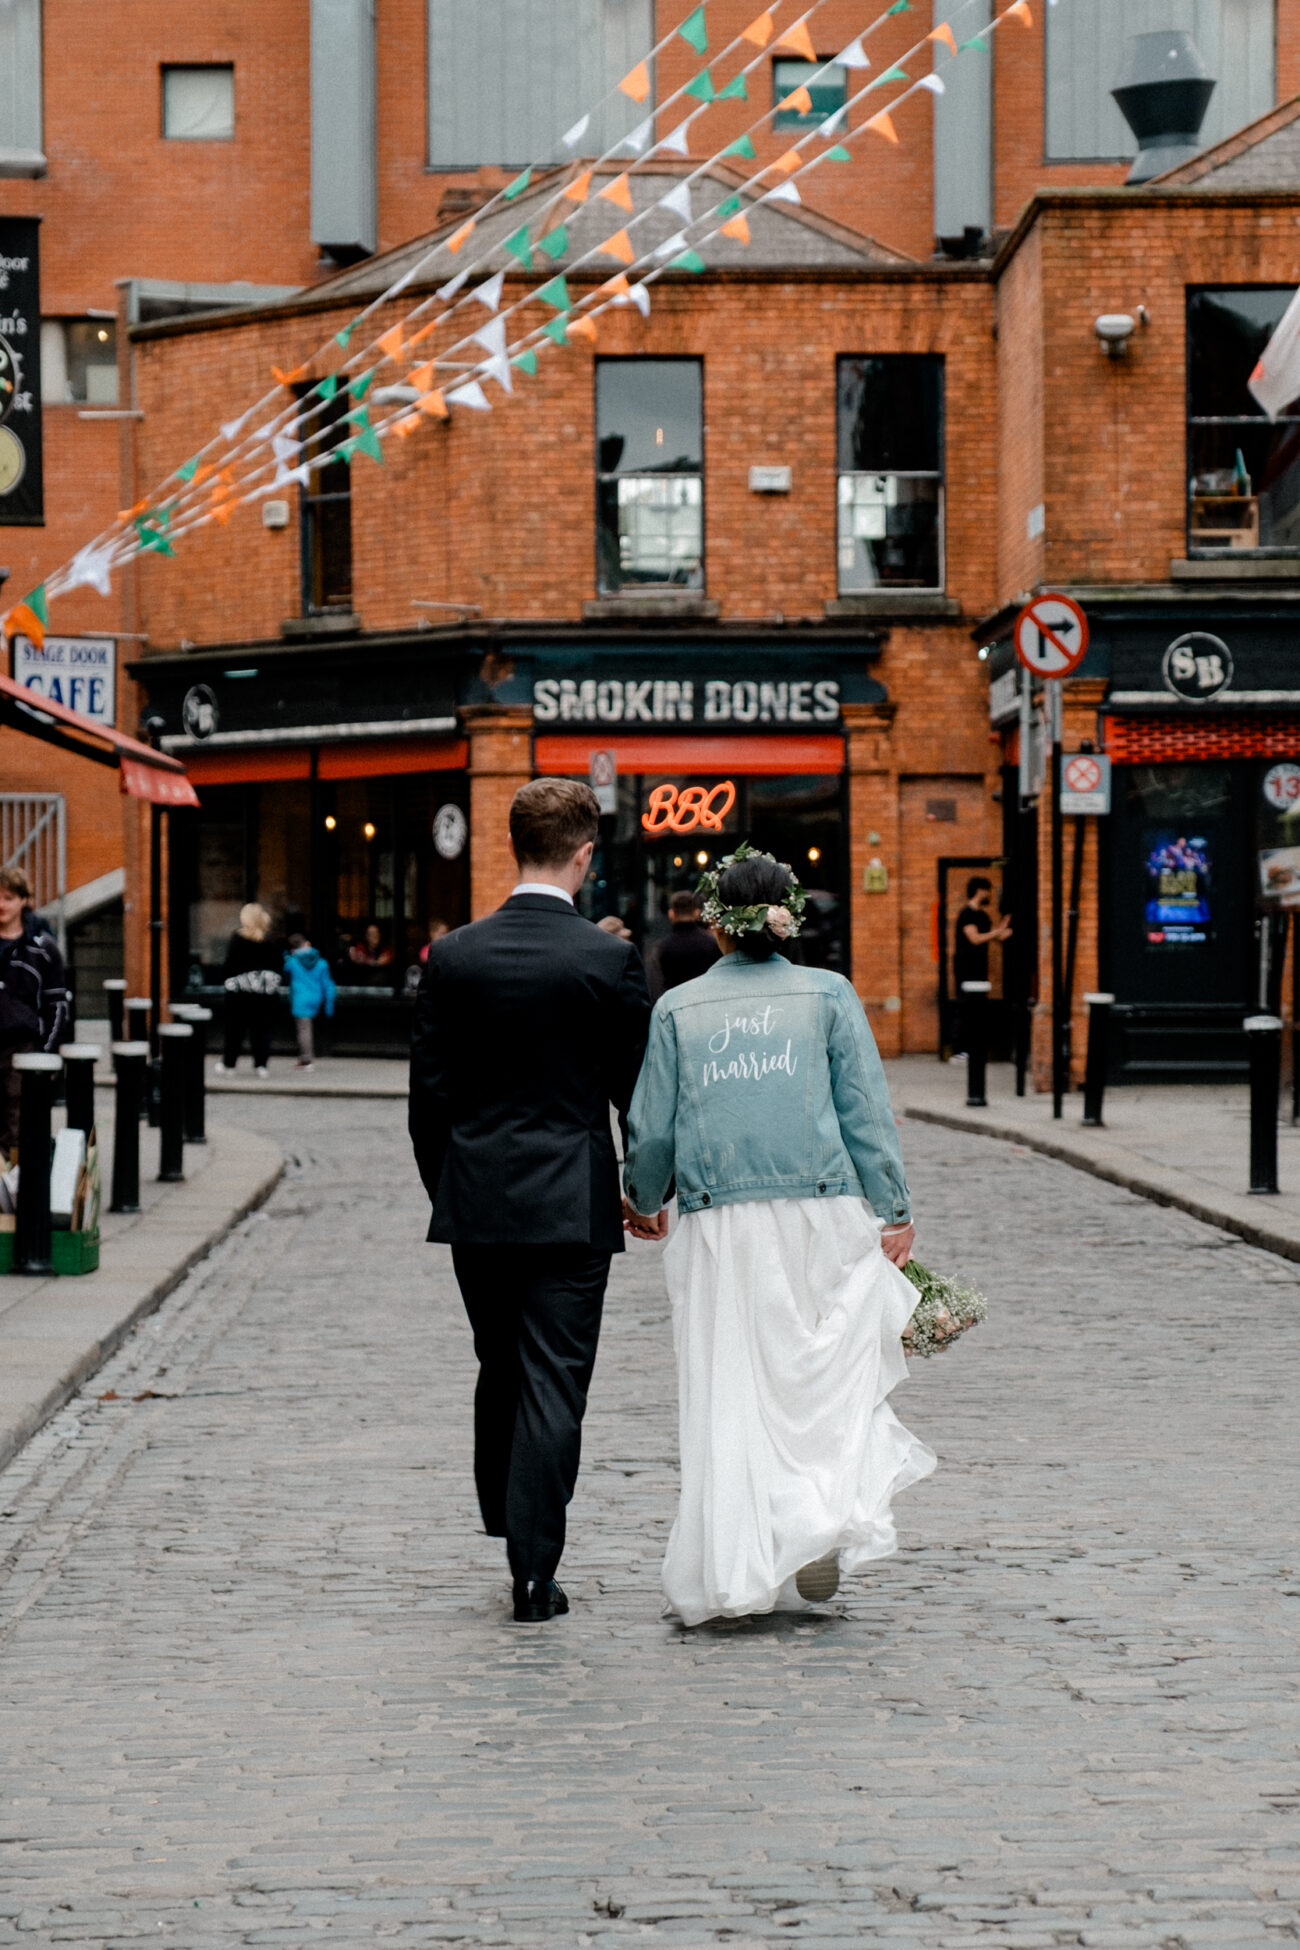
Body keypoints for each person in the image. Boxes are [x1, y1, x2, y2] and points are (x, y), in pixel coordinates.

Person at [622, 843, 935, 1628]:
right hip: (821, 1210)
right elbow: (865, 1110)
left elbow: (651, 1125)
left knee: (730, 1389)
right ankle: (820, 1516)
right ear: (785, 921)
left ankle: (741, 1561)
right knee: (818, 1380)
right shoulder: (829, 994)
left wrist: (641, 1194)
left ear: (718, 926)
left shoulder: (678, 1008)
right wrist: (892, 1206)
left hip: (719, 1219)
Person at [409, 778, 651, 1624]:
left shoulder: (454, 956)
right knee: (554, 1380)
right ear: (585, 854)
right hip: (570, 1205)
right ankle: (532, 1570)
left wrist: (451, 1185)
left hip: (476, 1201)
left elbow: (427, 1101)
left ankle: (505, 1518)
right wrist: (641, 1189)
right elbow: (638, 1095)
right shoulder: (607, 959)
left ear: (514, 847)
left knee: (501, 1364)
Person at [0, 866, 69, 1158]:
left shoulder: (43, 949)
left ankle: (14, 1197)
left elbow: (57, 1006)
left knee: (17, 1127)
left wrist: (47, 1053)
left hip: (22, 1048)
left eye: (9, 897)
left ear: (24, 901)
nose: (1, 905)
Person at [215, 903, 281, 1077]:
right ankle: (261, 1065)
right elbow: (278, 966)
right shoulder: (271, 940)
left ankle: (229, 1064)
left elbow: (229, 965)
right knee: (262, 1030)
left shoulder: (237, 938)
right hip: (264, 995)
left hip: (239, 994)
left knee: (235, 1030)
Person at [648, 889, 720, 1001]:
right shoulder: (712, 944)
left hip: (675, 1008)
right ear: (696, 913)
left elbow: (656, 987)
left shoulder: (661, 948)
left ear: (671, 914)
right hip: (707, 1005)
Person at [283, 932, 336, 1071]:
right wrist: (329, 1004)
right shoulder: (321, 963)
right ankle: (305, 1058)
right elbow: (328, 985)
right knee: (308, 1028)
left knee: (303, 1029)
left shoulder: (292, 962)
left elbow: (284, 970)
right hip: (316, 997)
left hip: (300, 998)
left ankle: (306, 1059)